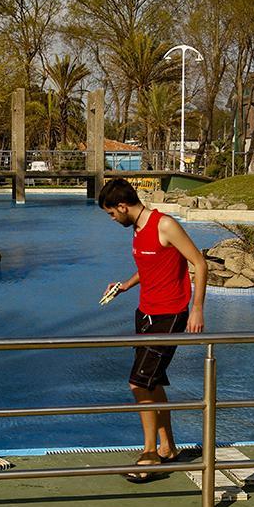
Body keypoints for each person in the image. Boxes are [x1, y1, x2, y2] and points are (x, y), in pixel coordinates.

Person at [97, 178, 208, 483]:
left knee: (138, 384)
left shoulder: (165, 225)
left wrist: (197, 307)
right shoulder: (137, 229)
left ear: (123, 206)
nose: (112, 219)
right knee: (152, 382)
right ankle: (168, 448)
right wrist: (125, 286)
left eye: (111, 213)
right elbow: (150, 267)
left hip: (169, 314)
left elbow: (199, 262)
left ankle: (149, 455)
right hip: (144, 313)